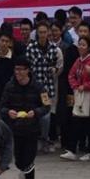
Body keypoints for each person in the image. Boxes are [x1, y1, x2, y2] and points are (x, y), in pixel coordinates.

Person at [0, 57, 48, 179]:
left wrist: (36, 112)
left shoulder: (39, 87)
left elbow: (46, 106)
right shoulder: (9, 86)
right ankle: (22, 169)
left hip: (32, 129)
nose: (18, 72)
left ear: (28, 71)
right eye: (16, 69)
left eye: (21, 69)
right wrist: (8, 112)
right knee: (19, 160)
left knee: (29, 158)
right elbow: (2, 106)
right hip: (15, 129)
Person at [25, 20, 61, 152]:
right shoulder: (30, 48)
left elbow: (59, 66)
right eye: (40, 32)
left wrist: (55, 70)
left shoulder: (54, 48)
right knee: (33, 115)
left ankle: (45, 139)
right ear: (37, 33)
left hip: (47, 88)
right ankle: (35, 140)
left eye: (45, 32)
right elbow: (26, 67)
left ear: (48, 33)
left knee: (46, 116)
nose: (43, 35)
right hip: (33, 88)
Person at [64, 35, 90, 161]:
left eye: (84, 45)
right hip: (79, 96)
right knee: (75, 122)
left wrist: (85, 86)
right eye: (79, 44)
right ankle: (72, 150)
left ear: (89, 47)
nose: (81, 47)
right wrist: (75, 86)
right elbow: (71, 75)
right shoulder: (78, 61)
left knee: (89, 125)